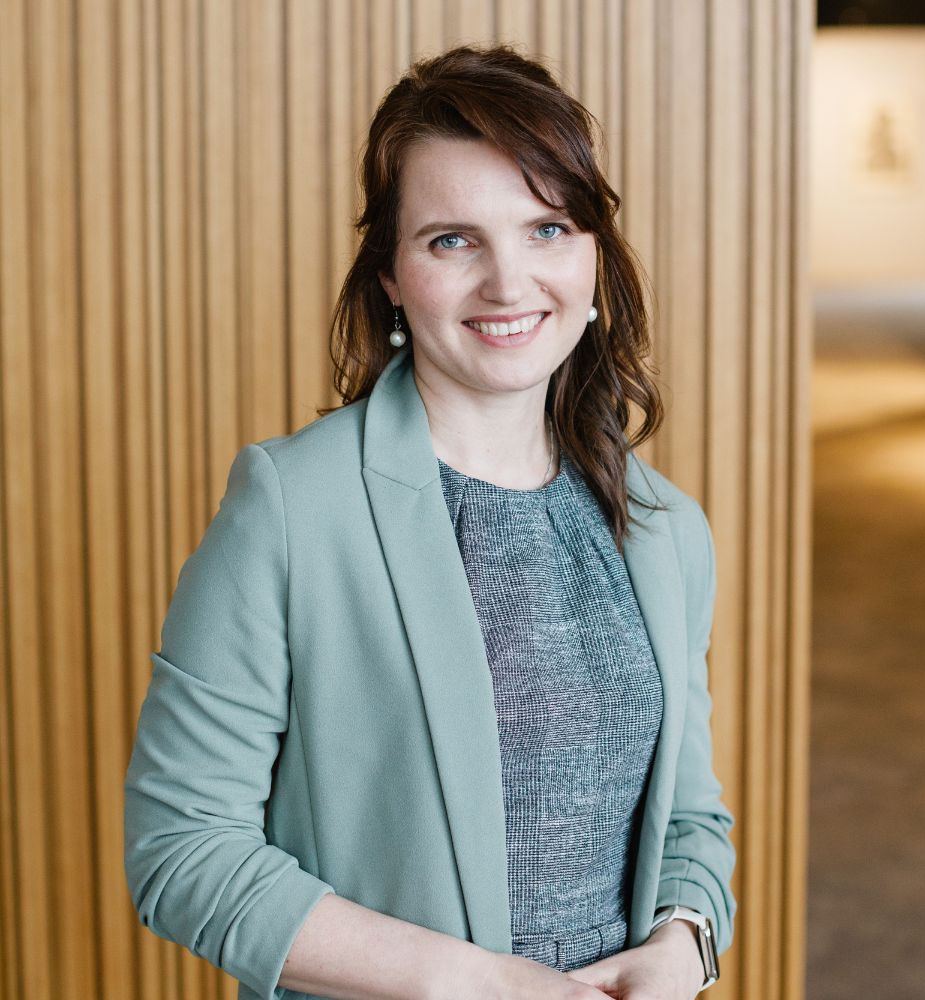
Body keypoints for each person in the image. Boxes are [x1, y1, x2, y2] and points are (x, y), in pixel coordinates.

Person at [124, 45, 736, 1000]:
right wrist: (485, 985)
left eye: (548, 229)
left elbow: (691, 818)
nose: (508, 283)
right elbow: (182, 850)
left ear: (595, 259)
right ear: (392, 277)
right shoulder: (292, 507)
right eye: (454, 240)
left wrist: (686, 943)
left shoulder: (665, 529)